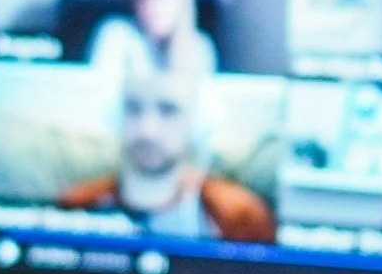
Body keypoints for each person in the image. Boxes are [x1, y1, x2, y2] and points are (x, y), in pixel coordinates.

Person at [57, 67, 275, 241]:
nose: (147, 130)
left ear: (197, 122)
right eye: (133, 108)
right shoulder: (79, 204)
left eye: (168, 110)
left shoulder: (240, 215)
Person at [87, 0, 219, 83]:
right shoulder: (116, 33)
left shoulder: (200, 46)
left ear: (183, 4)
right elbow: (102, 91)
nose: (151, 5)